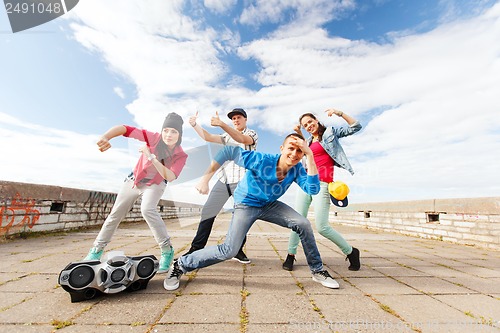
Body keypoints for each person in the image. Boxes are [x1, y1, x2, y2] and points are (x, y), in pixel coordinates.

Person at [164, 133, 340, 291]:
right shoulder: (262, 160)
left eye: (299, 151)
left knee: (303, 223)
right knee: (229, 250)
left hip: (269, 204)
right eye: (291, 148)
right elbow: (227, 152)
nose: (294, 154)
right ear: (282, 149)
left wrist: (310, 156)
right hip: (246, 204)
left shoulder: (297, 169)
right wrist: (205, 179)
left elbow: (313, 189)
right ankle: (181, 264)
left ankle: (317, 271)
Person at [84, 113, 188, 274]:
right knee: (115, 214)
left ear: (180, 134)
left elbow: (171, 176)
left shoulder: (180, 155)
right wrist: (106, 137)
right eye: (166, 130)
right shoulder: (153, 138)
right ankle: (96, 249)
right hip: (134, 181)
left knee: (147, 210)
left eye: (174, 131)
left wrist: (151, 156)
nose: (168, 135)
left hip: (156, 184)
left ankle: (167, 251)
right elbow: (125, 128)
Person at [282, 108, 362, 272]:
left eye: (310, 122)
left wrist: (340, 113)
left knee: (322, 226)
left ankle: (351, 251)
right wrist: (299, 135)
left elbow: (356, 126)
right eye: (305, 125)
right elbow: (309, 152)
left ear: (316, 120)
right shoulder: (310, 142)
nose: (309, 126)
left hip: (323, 184)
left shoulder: (330, 133)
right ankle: (290, 255)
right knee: (297, 220)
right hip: (306, 183)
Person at [184, 108, 258, 264]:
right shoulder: (226, 136)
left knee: (240, 217)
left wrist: (222, 124)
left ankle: (237, 249)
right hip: (223, 180)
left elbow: (242, 139)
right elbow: (208, 137)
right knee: (208, 212)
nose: (236, 120)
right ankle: (196, 249)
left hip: (243, 181)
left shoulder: (252, 134)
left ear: (245, 119)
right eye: (233, 119)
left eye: (238, 118)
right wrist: (194, 125)